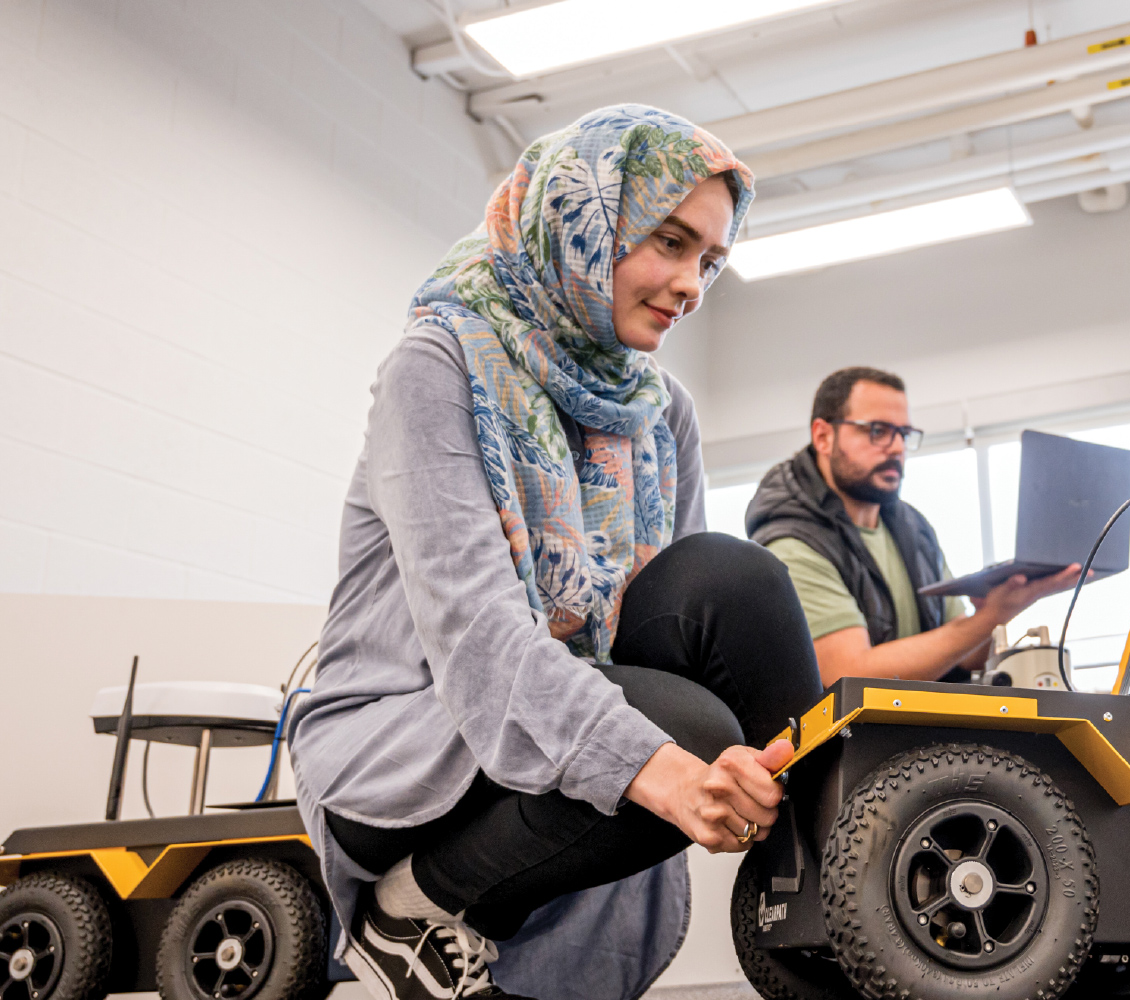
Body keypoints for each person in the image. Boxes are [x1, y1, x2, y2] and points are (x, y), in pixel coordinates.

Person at [291, 106, 827, 1000]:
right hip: (403, 744)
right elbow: (482, 647)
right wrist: (677, 771)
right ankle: (414, 907)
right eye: (668, 240)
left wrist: (744, 774)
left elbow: (671, 624)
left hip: (565, 712)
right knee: (686, 731)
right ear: (582, 218)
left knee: (735, 579)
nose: (691, 284)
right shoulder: (437, 367)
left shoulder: (663, 410)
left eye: (711, 261)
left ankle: (831, 902)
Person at [746, 367, 1081, 684]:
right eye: (877, 431)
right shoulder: (793, 543)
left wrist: (1000, 605)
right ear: (823, 436)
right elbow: (849, 674)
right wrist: (988, 618)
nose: (896, 447)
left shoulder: (913, 528)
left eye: (903, 433)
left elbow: (965, 657)